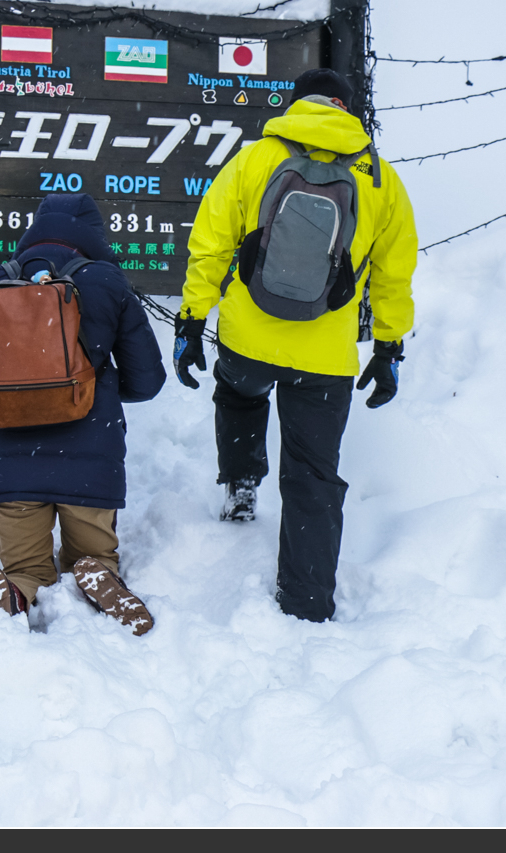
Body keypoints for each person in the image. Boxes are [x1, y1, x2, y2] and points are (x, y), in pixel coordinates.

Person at [172, 68, 418, 622]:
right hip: (325, 358)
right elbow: (393, 275)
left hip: (248, 335)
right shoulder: (379, 178)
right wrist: (387, 347)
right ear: (348, 109)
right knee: (312, 471)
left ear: (295, 103)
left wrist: (191, 319)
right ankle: (307, 601)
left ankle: (240, 482)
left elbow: (209, 243)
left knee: (238, 394)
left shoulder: (255, 158)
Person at [0, 194, 166, 634]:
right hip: (90, 461)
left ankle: (14, 590)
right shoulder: (106, 282)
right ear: (93, 235)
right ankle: (98, 576)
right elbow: (148, 381)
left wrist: (11, 396)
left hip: (7, 467)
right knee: (93, 556)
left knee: (25, 565)